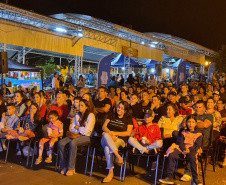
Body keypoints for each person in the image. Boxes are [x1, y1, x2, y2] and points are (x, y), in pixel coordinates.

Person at [159, 115, 203, 185]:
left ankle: (195, 179)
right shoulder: (183, 132)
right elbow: (180, 143)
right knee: (172, 155)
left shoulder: (199, 133)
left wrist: (188, 150)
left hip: (192, 150)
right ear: (186, 123)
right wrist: (184, 150)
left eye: (193, 122)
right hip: (182, 149)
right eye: (189, 122)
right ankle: (169, 177)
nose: (190, 124)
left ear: (195, 123)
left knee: (192, 157)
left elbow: (197, 145)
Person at [58, 99, 95, 176]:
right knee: (61, 143)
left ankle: (71, 168)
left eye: (82, 105)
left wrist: (78, 128)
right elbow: (72, 128)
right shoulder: (77, 115)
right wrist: (79, 129)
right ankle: (64, 166)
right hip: (76, 135)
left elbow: (88, 132)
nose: (79, 107)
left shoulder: (91, 115)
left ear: (86, 107)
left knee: (73, 143)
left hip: (86, 137)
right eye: (79, 105)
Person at [101, 101, 133, 183]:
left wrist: (114, 134)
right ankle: (118, 155)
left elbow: (128, 133)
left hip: (120, 140)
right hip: (107, 138)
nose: (119, 109)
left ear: (125, 111)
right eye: (119, 107)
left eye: (122, 108)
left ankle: (110, 172)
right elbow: (104, 127)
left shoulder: (128, 119)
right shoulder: (112, 115)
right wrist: (111, 135)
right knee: (105, 135)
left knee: (108, 148)